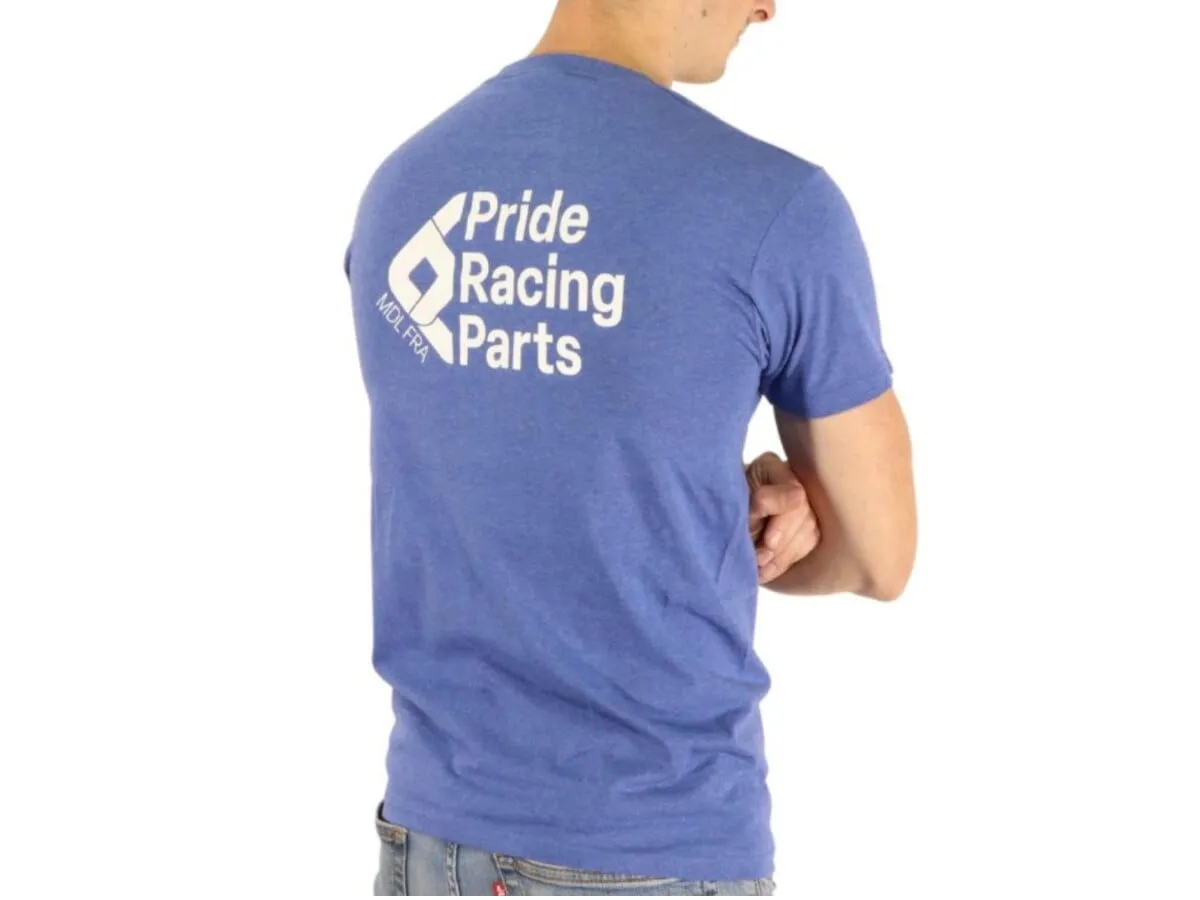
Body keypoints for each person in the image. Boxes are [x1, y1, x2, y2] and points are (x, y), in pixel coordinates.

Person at [342, 0, 917, 894]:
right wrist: (762, 516)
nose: (769, 7)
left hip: (427, 841)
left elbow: (506, 458)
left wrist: (704, 495)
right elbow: (879, 556)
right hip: (649, 846)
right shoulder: (772, 205)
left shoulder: (406, 186)